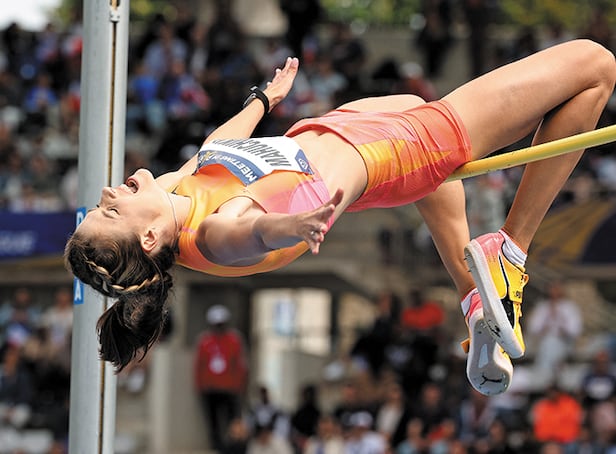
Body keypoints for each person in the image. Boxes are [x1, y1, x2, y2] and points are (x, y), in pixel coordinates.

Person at [64, 40, 616, 396]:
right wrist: (290, 226)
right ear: (149, 237)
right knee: (594, 66)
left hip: (344, 128)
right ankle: (510, 251)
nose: (109, 191)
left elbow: (214, 150)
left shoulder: (172, 196)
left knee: (414, 120)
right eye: (110, 210)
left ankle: (475, 300)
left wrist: (262, 100)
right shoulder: (211, 234)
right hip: (393, 151)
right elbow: (248, 231)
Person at [194, 304, 249, 452]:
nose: (219, 328)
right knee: (213, 422)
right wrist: (200, 386)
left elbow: (239, 365)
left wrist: (239, 386)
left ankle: (234, 447)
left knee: (233, 420)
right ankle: (217, 447)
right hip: (210, 389)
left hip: (230, 389)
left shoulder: (234, 339)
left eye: (221, 324)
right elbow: (199, 365)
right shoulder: (204, 341)